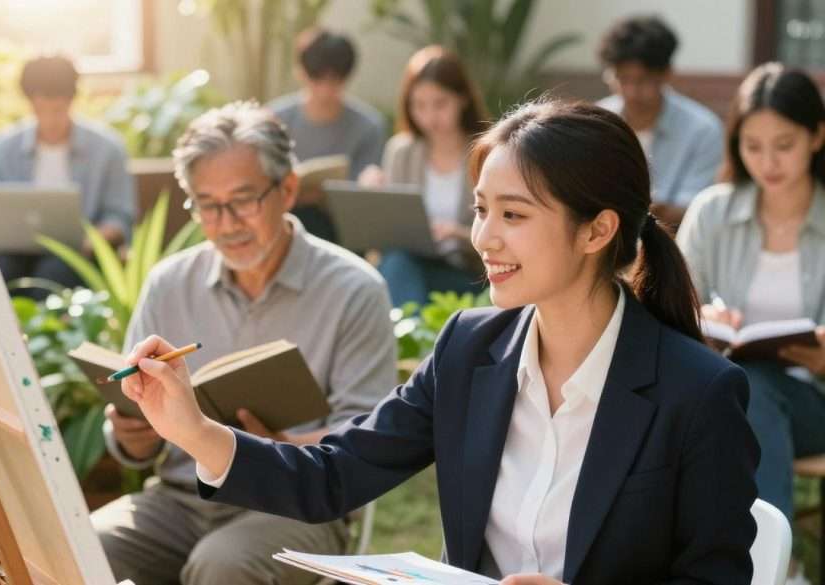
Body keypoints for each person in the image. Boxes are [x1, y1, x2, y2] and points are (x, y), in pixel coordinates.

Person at [117, 100, 760, 585]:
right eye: (481, 210)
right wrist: (192, 428)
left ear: (597, 231)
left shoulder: (697, 393)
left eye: (514, 215)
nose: (484, 239)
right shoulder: (469, 350)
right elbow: (332, 476)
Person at [90, 102, 396, 585]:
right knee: (83, 550)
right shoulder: (169, 282)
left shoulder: (354, 289)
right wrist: (133, 434)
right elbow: (136, 436)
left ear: (288, 189)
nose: (227, 223)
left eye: (243, 200)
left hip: (294, 503)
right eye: (207, 205)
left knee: (223, 565)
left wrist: (281, 452)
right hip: (179, 498)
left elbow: (367, 440)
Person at [677, 63, 825, 523]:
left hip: (813, 405)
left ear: (816, 137)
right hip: (720, 396)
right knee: (739, 390)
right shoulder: (711, 212)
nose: (768, 163)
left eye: (784, 146)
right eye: (753, 146)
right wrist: (704, 318)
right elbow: (666, 309)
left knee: (751, 388)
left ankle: (769, 565)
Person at [0, 54, 136, 291]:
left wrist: (91, 241)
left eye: (58, 109)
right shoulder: (4, 146)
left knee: (51, 276)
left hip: (78, 254)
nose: (50, 119)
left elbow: (120, 215)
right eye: (41, 108)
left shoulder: (108, 149)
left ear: (72, 101)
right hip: (14, 251)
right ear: (30, 103)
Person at [360, 45, 488, 307]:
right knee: (396, 262)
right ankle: (409, 340)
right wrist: (372, 198)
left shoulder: (488, 152)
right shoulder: (402, 151)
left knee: (396, 270)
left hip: (466, 272)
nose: (429, 117)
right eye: (419, 106)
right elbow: (389, 232)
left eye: (440, 104)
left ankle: (406, 341)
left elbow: (504, 232)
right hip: (409, 264)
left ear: (462, 98)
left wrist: (459, 235)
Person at [596, 15, 723, 227]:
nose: (631, 92)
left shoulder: (702, 130)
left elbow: (699, 206)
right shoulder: (595, 121)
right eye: (622, 79)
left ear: (666, 74)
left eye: (642, 80)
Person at [268, 28, 386, 242]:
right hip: (284, 218)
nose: (325, 90)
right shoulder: (275, 118)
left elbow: (364, 193)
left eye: (334, 80)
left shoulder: (369, 126)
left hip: (340, 225)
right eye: (317, 79)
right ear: (300, 72)